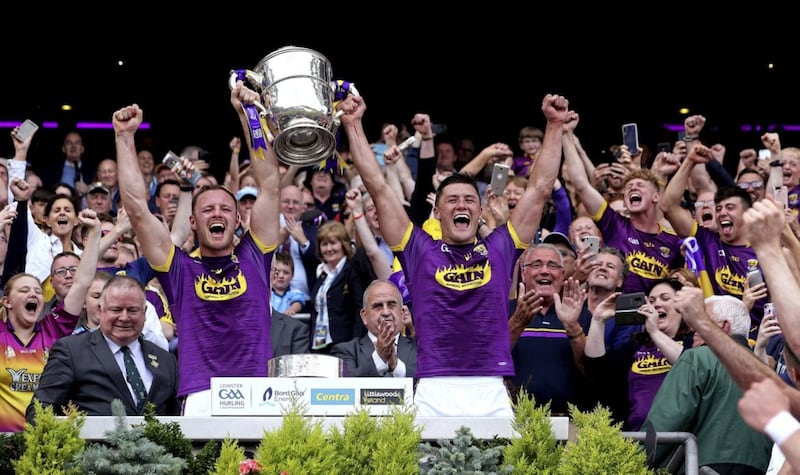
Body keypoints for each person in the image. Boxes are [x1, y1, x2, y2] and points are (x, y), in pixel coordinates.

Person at [342, 92, 569, 416]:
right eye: (452, 200)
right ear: (436, 211)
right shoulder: (418, 249)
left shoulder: (500, 248)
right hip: (435, 387)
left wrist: (554, 126)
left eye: (468, 200)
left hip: (492, 386)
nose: (461, 205)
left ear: (479, 211)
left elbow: (540, 187)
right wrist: (353, 125)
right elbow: (377, 186)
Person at [113, 81, 280, 415]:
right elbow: (136, 208)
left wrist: (249, 114)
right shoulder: (179, 268)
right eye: (207, 209)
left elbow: (271, 184)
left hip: (260, 393)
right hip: (202, 396)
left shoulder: (255, 257)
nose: (216, 214)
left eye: (224, 209)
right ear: (192, 222)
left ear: (237, 220)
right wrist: (123, 136)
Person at [642, 291, 772, 474]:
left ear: (723, 326)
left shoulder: (697, 358)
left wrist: (636, 460)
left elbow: (666, 422)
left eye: (700, 321)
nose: (693, 329)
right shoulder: (767, 373)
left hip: (700, 466)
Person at [26, 275, 180, 419]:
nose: (124, 317)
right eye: (116, 309)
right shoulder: (71, 351)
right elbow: (40, 410)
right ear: (100, 310)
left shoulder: (166, 360)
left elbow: (176, 421)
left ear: (145, 313)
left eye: (132, 310)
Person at [585, 278, 692, 430]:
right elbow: (596, 368)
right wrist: (597, 321)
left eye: (665, 298)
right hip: (635, 437)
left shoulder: (692, 342)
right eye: (652, 300)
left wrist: (654, 331)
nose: (657, 304)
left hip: (678, 439)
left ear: (681, 307)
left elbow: (689, 366)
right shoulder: (635, 346)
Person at [508, 244, 592, 415]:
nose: (545, 271)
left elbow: (590, 371)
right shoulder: (505, 310)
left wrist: (573, 327)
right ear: (524, 274)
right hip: (514, 420)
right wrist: (517, 323)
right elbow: (489, 361)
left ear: (562, 275)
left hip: (570, 422)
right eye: (536, 265)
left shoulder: (580, 314)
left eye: (553, 265)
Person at [330, 279, 417, 377]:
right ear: (364, 316)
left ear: (401, 313)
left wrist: (396, 366)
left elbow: (429, 383)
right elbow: (345, 387)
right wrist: (379, 358)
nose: (386, 312)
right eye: (378, 306)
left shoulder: (420, 348)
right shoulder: (346, 351)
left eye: (391, 305)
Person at [308, 220, 365, 352]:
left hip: (345, 345)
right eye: (324, 244)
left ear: (343, 244)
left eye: (333, 243)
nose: (329, 249)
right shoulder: (321, 273)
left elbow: (360, 308)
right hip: (320, 343)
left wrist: (355, 343)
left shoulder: (352, 270)